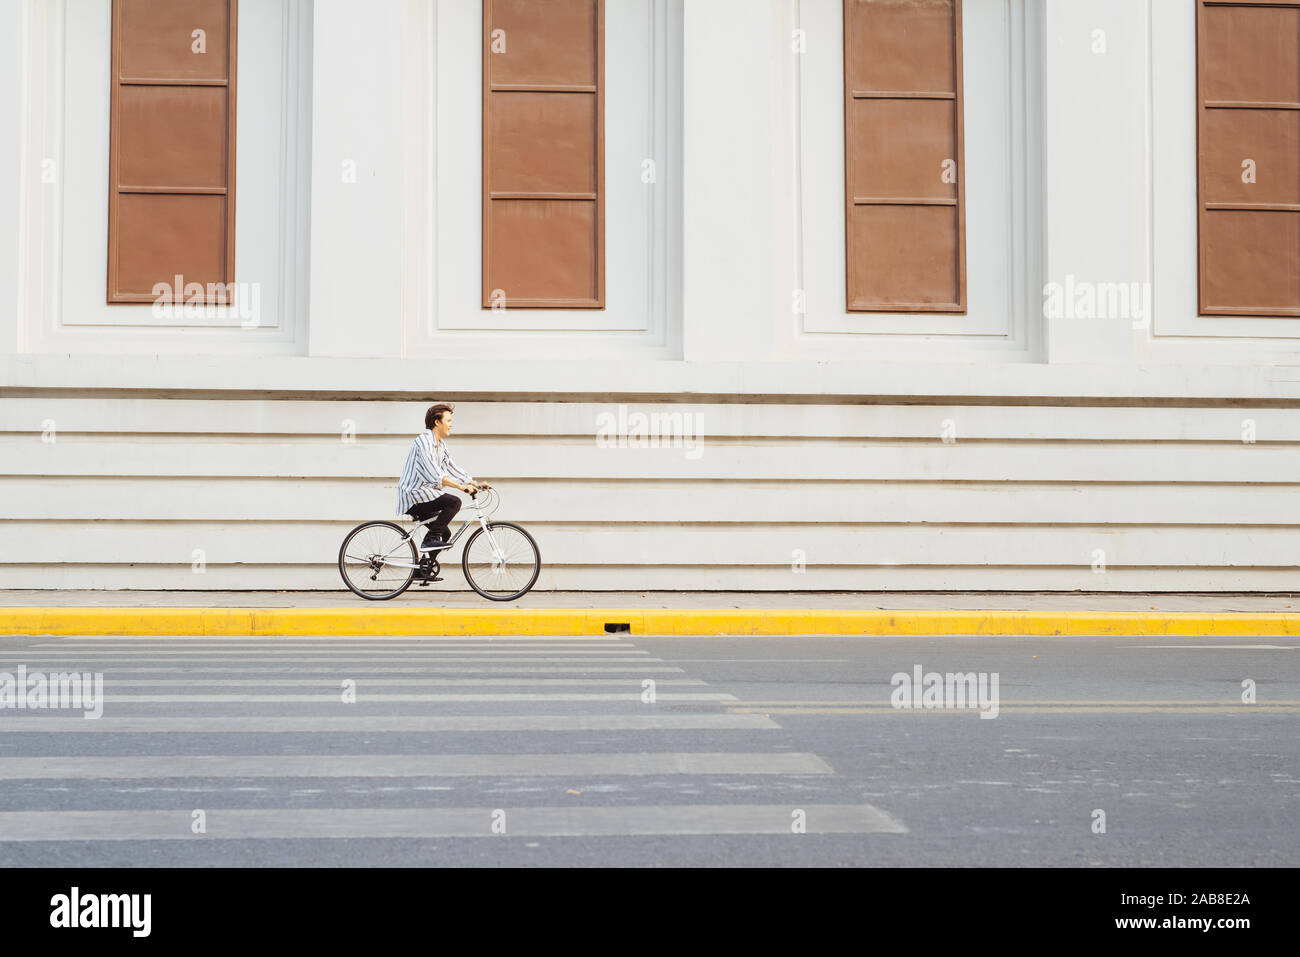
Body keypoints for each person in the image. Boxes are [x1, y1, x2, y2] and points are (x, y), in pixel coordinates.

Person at [396, 404, 490, 578]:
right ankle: (429, 540)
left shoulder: (441, 445)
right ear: (437, 422)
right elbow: (434, 474)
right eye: (449, 420)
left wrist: (474, 483)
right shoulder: (423, 441)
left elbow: (453, 468)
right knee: (454, 502)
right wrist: (461, 488)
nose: (451, 424)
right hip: (414, 495)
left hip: (425, 495)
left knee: (444, 533)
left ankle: (421, 569)